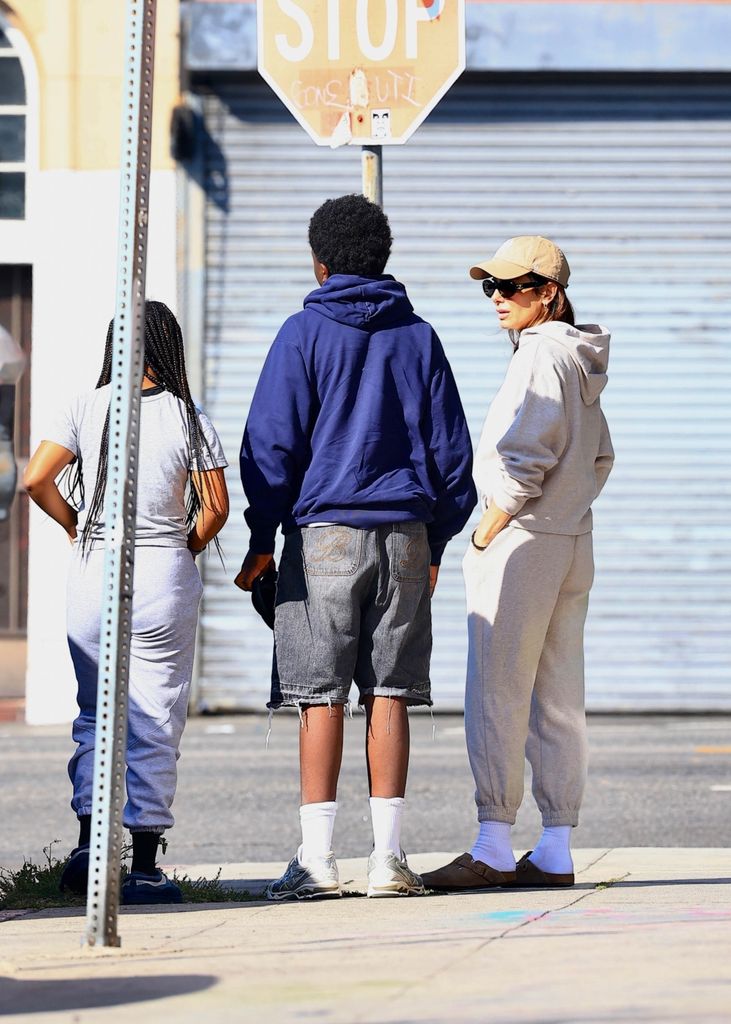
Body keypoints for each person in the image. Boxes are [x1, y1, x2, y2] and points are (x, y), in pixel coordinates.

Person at [236, 194, 476, 901]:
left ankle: (315, 862)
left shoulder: (301, 334)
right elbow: (452, 458)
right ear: (384, 256)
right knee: (391, 693)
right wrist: (433, 540)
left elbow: (269, 449)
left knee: (318, 697)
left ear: (319, 263)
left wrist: (261, 536)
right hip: (404, 534)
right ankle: (388, 861)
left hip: (322, 539)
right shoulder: (419, 337)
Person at [422, 236, 614, 893]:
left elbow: (527, 450)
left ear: (548, 293)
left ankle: (492, 845)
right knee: (557, 698)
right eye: (490, 288)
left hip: (523, 541)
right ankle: (556, 847)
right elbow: (598, 458)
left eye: (512, 287)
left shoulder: (540, 355)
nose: (497, 299)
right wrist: (567, 511)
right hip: (567, 539)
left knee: (498, 693)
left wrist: (489, 525)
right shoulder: (580, 359)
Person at [24, 300, 229, 904]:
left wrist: (75, 526)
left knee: (96, 712)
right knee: (156, 715)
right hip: (162, 567)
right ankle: (141, 867)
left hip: (95, 565)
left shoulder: (86, 406)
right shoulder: (190, 418)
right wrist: (180, 550)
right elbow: (215, 508)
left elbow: (37, 478)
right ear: (169, 349)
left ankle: (90, 849)